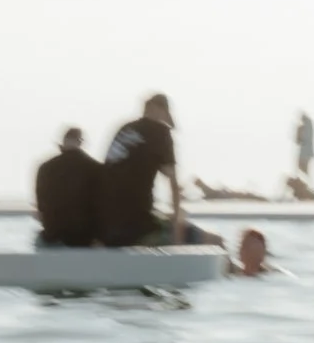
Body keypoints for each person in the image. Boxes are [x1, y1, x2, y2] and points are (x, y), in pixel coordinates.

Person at [97, 95, 221, 249]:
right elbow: (173, 185)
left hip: (106, 228)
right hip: (138, 227)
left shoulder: (124, 130)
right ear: (160, 110)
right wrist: (177, 227)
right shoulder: (160, 132)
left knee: (161, 218)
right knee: (215, 241)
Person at [35, 128, 101, 247]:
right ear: (80, 143)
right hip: (83, 238)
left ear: (63, 142)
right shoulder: (96, 169)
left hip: (52, 236)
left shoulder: (45, 168)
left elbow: (41, 211)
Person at [294, 111, 314, 179]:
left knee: (302, 167)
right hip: (306, 150)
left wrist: (299, 131)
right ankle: (306, 181)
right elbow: (298, 141)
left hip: (306, 151)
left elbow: (298, 140)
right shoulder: (307, 127)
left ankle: (306, 182)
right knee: (302, 168)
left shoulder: (305, 127)